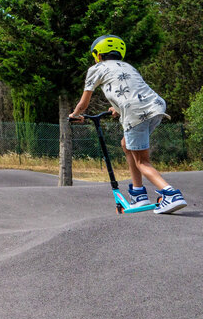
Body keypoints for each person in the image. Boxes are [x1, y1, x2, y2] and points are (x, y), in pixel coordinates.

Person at [70, 34, 186, 214]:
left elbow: (84, 103)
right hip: (156, 106)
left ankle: (171, 194)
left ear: (97, 55)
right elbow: (131, 91)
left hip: (135, 112)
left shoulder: (96, 68)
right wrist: (116, 108)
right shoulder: (128, 66)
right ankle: (138, 194)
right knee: (126, 144)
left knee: (142, 161)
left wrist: (76, 114)